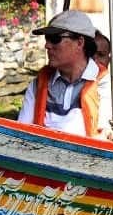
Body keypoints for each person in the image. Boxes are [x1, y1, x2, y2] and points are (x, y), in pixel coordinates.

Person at [18, 9, 104, 138]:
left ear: (79, 42)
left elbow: (108, 136)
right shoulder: (38, 84)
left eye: (54, 39)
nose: (47, 45)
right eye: (47, 39)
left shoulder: (106, 84)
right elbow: (21, 133)